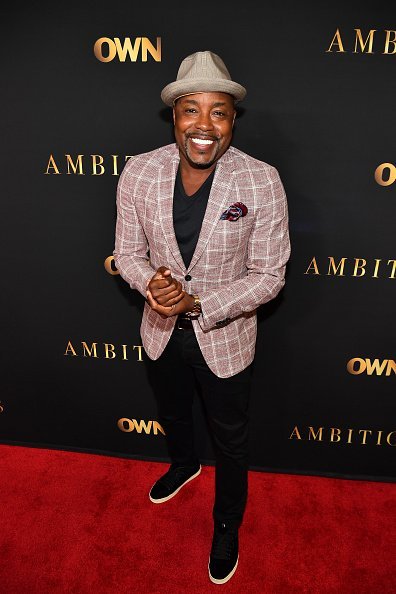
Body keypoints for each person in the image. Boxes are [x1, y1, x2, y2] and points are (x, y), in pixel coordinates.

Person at [113, 50, 290, 585]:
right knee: (174, 412)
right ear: (175, 116)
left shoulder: (260, 181)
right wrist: (153, 285)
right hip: (161, 331)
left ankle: (227, 525)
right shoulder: (140, 170)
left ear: (234, 120)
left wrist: (199, 304)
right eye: (192, 110)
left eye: (219, 112)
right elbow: (126, 253)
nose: (204, 125)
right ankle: (185, 464)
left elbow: (269, 274)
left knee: (231, 440)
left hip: (226, 338)